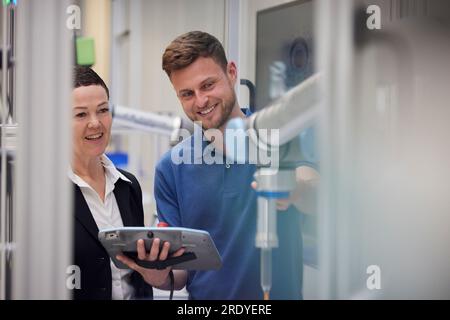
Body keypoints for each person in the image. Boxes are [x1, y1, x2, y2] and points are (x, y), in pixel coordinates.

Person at [118, 31, 308, 300]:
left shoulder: (278, 139)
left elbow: (317, 192)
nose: (200, 101)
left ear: (231, 72)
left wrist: (297, 188)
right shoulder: (171, 168)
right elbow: (182, 271)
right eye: (187, 94)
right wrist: (159, 275)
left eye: (208, 85)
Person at [70, 66, 153, 300]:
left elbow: (136, 277)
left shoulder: (127, 185)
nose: (96, 123)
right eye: (81, 114)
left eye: (103, 110)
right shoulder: (48, 192)